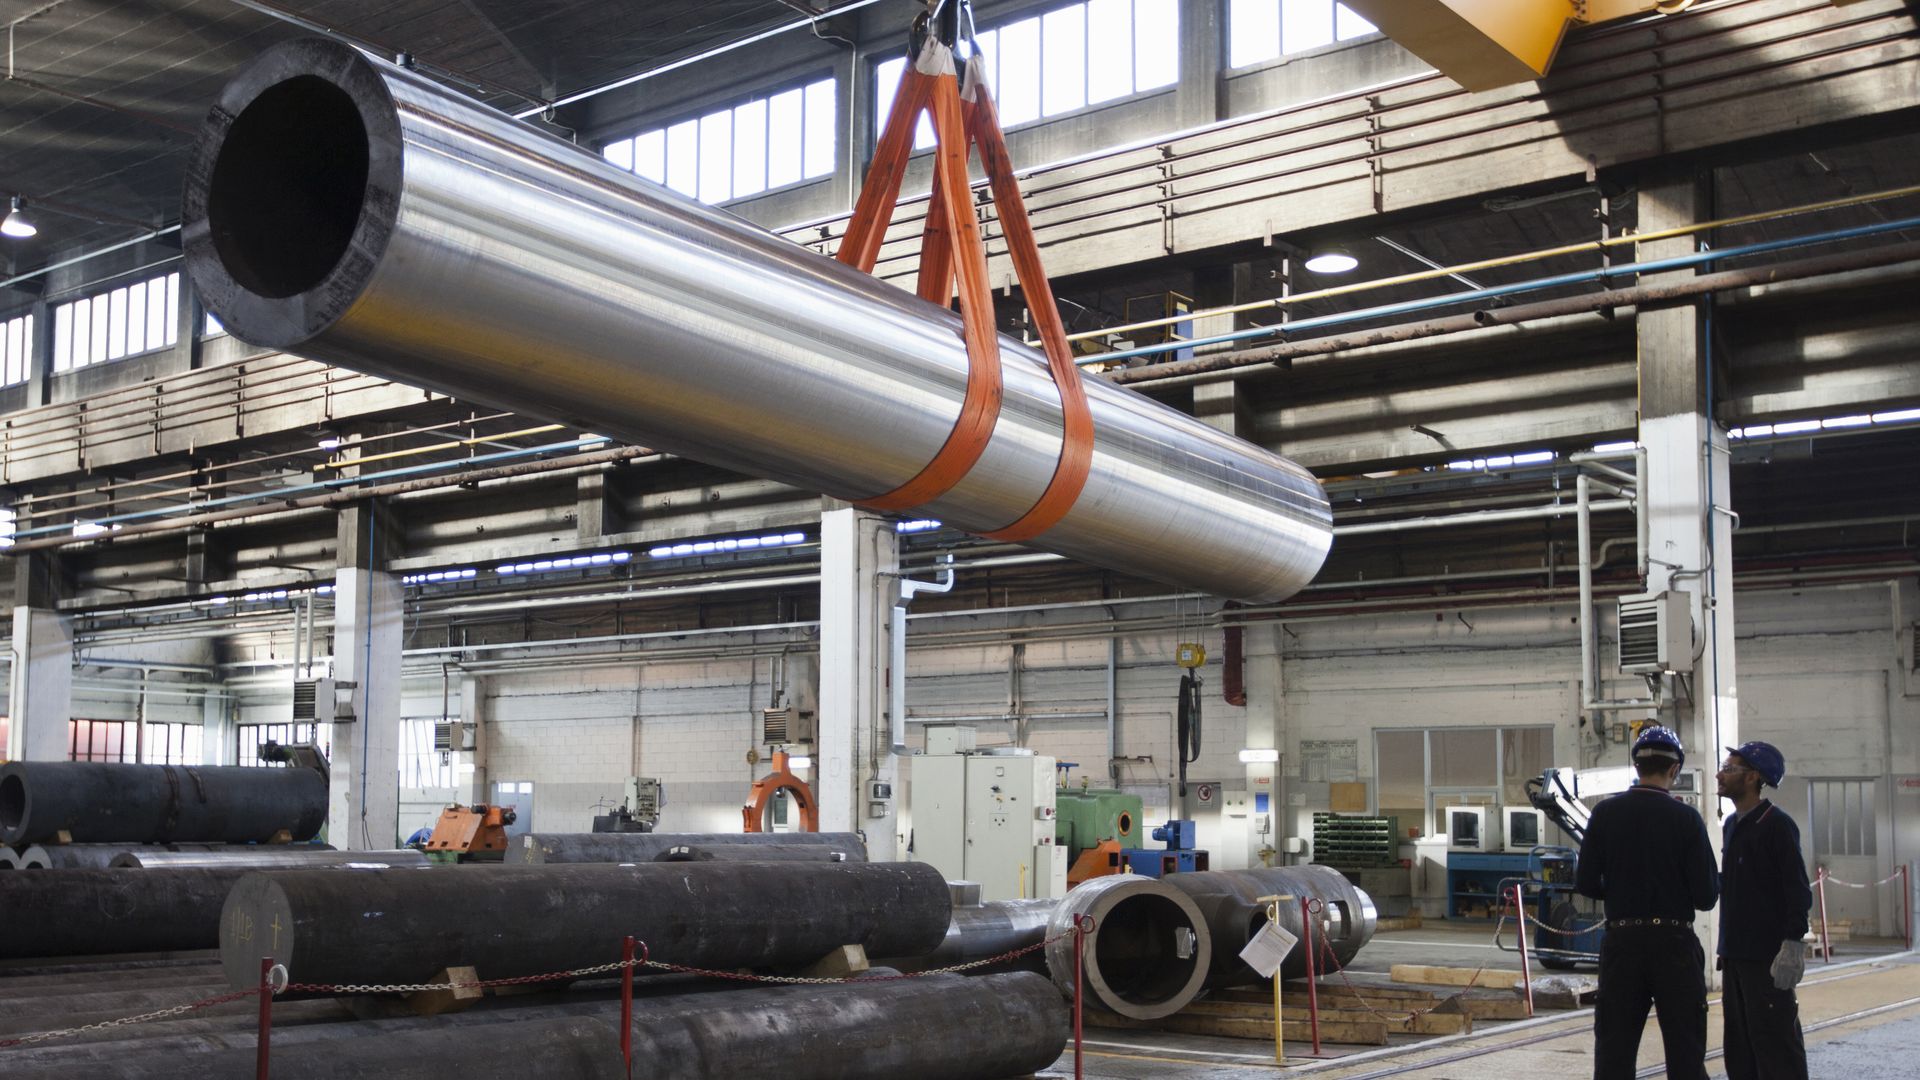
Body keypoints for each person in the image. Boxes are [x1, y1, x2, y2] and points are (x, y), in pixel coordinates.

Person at [1576, 725, 1720, 1080]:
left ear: (1636, 766)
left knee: (1614, 1051)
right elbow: (1706, 896)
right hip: (1674, 947)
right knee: (1686, 1052)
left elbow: (1585, 883)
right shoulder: (1686, 818)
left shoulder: (1605, 814)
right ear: (1674, 770)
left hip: (1623, 945)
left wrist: (1625, 892)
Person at [1715, 740, 1812, 1080]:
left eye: (1729, 769)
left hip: (1767, 961)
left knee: (1776, 1048)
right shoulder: (1731, 825)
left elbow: (1796, 888)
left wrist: (1793, 943)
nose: (1719, 774)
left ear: (1753, 777)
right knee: (1740, 1050)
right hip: (1735, 958)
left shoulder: (1777, 826)